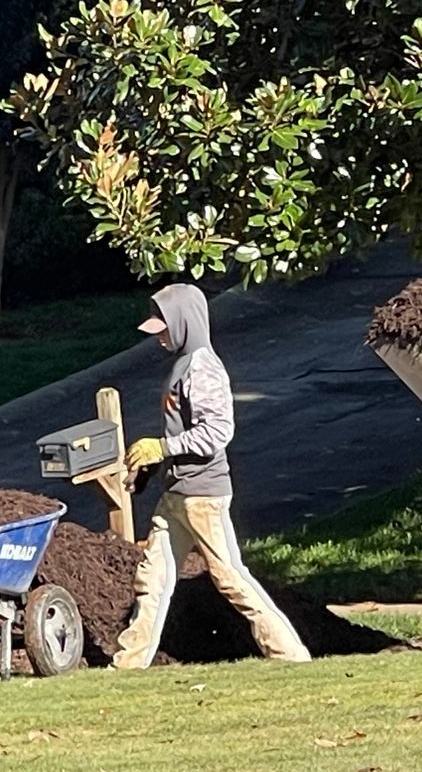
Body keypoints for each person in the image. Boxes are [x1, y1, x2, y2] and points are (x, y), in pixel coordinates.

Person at [112, 284, 312, 669]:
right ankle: (127, 666)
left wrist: (162, 448)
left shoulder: (203, 367)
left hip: (203, 495)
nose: (159, 337)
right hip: (176, 496)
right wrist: (152, 467)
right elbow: (179, 435)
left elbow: (218, 432)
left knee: (230, 578)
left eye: (164, 328)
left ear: (185, 323)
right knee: (151, 580)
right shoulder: (182, 364)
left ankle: (291, 655)